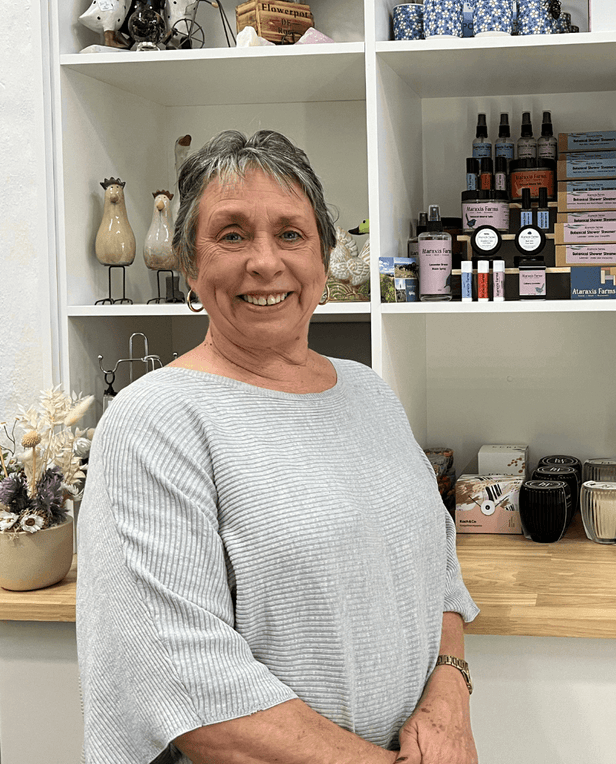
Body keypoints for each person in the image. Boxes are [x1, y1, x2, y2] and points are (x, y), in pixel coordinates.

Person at [76, 129, 480, 764]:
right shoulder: (153, 421)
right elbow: (184, 681)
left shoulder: (369, 393)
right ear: (188, 264)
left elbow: (439, 573)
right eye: (232, 234)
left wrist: (451, 695)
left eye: (291, 233)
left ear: (323, 259)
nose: (265, 263)